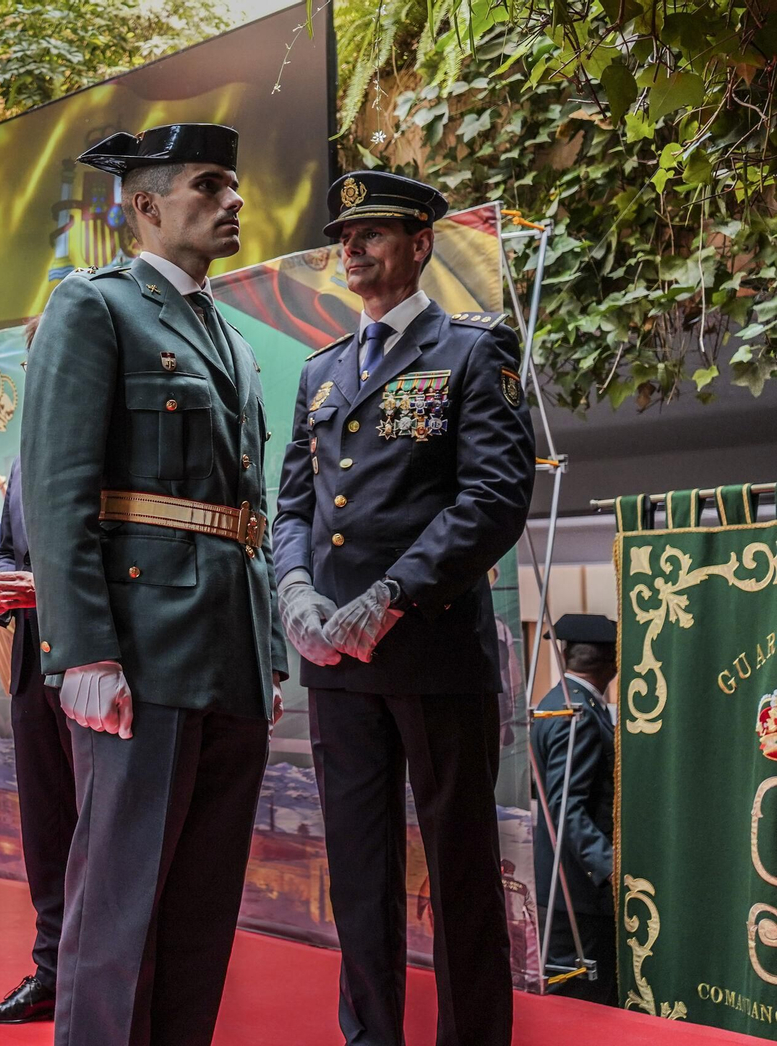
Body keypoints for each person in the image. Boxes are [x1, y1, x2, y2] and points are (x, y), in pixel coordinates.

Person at [19, 123, 287, 1046]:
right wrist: (82, 647)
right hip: (138, 644)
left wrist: (273, 653)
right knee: (120, 904)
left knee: (203, 907)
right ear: (145, 206)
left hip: (229, 648)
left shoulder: (234, 339)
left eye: (232, 186)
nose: (232, 201)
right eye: (209, 185)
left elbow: (254, 509)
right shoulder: (95, 309)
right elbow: (58, 490)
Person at [273, 170, 535, 1046]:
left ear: (419, 244)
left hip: (430, 650)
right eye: (344, 237)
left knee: (458, 869)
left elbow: (495, 497)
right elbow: (294, 510)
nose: (352, 249)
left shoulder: (471, 350)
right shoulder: (321, 370)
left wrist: (393, 593)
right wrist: (296, 589)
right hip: (337, 664)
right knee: (357, 871)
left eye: (372, 234)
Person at [0, 324, 72, 1028]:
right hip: (35, 664)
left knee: (109, 835)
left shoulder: (121, 431)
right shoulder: (27, 448)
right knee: (46, 826)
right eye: (40, 356)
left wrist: (48, 586)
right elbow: (11, 554)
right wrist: (3, 584)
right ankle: (52, 969)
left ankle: (105, 975)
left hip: (108, 662)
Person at [532, 613, 617, 1005]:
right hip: (579, 888)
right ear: (612, 662)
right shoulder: (577, 716)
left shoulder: (560, 702)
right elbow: (567, 807)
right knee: (583, 1000)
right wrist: (609, 866)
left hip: (566, 882)